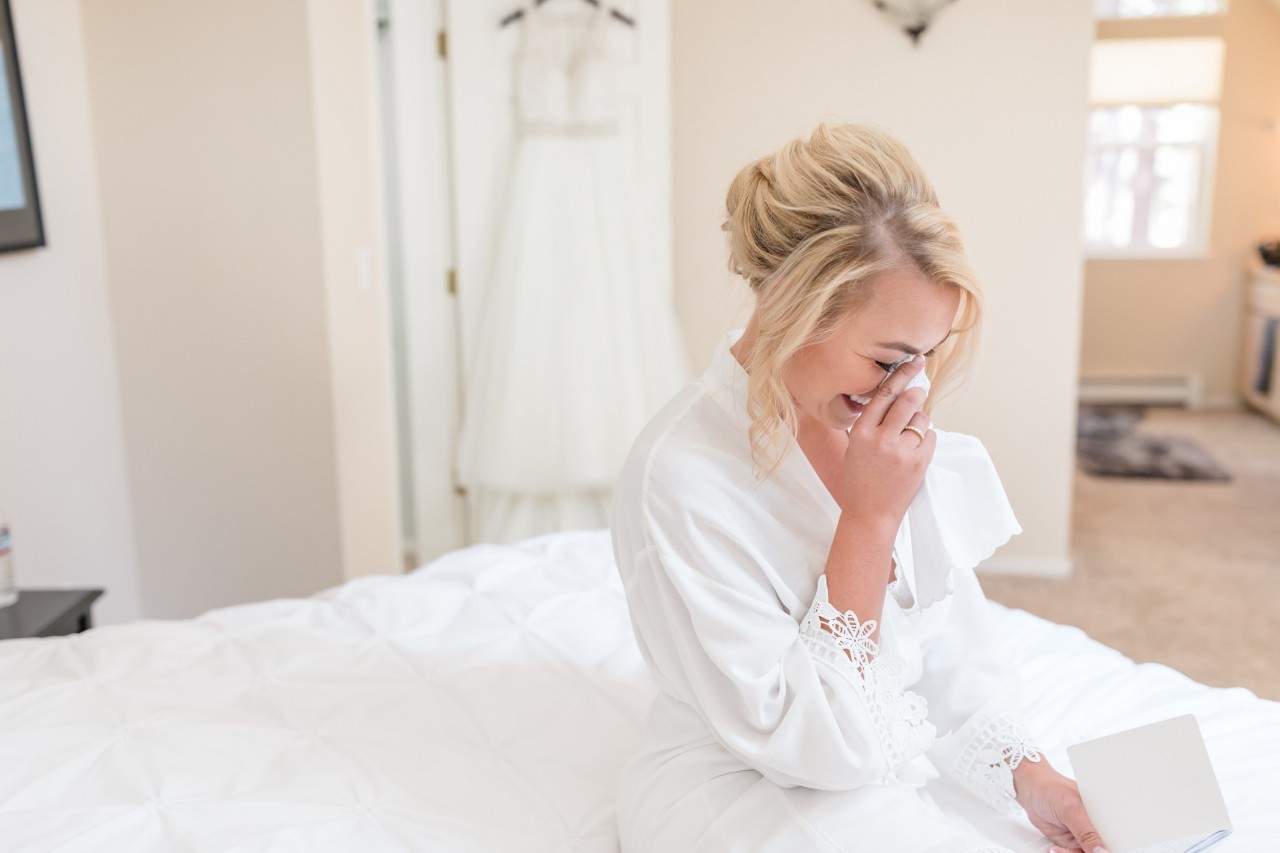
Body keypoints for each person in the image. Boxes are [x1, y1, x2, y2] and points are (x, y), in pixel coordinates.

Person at [609, 123, 1110, 853]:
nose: (908, 388)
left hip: (878, 755)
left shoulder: (867, 428)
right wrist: (869, 522)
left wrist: (1031, 778)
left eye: (924, 356)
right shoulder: (680, 476)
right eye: (886, 359)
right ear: (789, 304)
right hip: (746, 786)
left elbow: (942, 648)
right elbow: (810, 745)